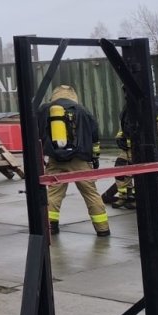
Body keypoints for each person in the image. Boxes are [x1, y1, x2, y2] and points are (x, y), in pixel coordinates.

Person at [40, 85, 108, 237]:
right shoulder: (82, 111)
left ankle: (51, 227)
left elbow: (38, 133)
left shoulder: (45, 110)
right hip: (80, 160)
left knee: (53, 194)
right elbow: (94, 135)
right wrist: (95, 156)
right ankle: (102, 228)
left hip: (55, 160)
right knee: (91, 194)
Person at [112, 96, 158, 210]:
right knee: (120, 167)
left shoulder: (155, 108)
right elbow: (124, 124)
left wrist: (155, 147)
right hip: (129, 146)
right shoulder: (128, 107)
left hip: (144, 147)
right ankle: (124, 196)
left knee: (141, 174)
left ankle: (139, 199)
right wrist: (119, 137)